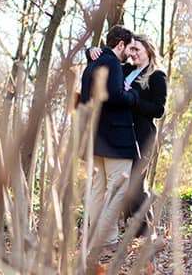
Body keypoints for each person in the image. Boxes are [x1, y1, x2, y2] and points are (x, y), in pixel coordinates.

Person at [89, 33, 167, 239]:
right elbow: (108, 72)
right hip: (123, 135)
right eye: (130, 49)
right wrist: (92, 52)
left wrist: (132, 99)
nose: (132, 54)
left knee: (136, 183)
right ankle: (133, 228)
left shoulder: (157, 76)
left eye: (136, 50)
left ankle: (147, 230)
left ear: (148, 51)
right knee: (124, 183)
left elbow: (158, 110)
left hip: (144, 136)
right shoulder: (126, 70)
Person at [80, 25, 140, 252]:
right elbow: (114, 95)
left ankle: (95, 237)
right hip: (116, 137)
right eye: (130, 48)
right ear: (121, 44)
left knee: (98, 189)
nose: (130, 55)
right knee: (118, 188)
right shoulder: (113, 63)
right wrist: (132, 95)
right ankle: (108, 239)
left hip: (95, 137)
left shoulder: (92, 64)